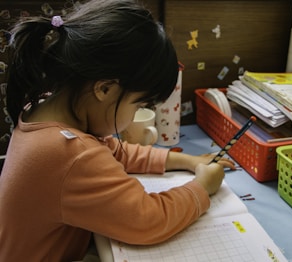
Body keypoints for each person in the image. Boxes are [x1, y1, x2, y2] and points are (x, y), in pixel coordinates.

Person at [0, 0, 236, 261]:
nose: (136, 115)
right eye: (139, 105)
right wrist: (202, 187)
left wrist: (186, 161)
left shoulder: (47, 106)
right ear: (104, 89)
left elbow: (111, 152)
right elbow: (147, 219)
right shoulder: (70, 154)